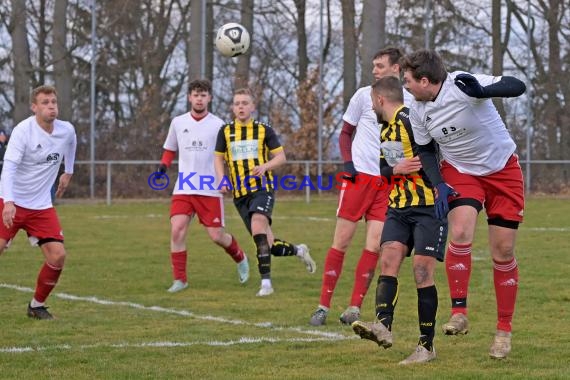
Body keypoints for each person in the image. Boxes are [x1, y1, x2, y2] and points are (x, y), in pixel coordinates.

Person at [400, 49, 526, 359]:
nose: (405, 87)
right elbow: (426, 150)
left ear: (425, 80)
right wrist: (439, 184)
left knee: (504, 251)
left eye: (408, 81)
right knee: (460, 233)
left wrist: (484, 91)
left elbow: (516, 85)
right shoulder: (416, 107)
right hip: (461, 171)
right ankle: (460, 312)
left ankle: (503, 331)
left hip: (502, 169)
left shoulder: (461, 84)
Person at [309, 46, 412, 326]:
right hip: (359, 179)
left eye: (380, 66)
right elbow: (345, 133)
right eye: (373, 66)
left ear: (396, 68)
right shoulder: (362, 96)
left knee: (374, 245)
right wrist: (348, 164)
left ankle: (354, 306)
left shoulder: (411, 100)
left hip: (388, 182)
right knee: (341, 242)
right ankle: (323, 306)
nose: (375, 70)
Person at [351, 76, 447, 364]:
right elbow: (384, 168)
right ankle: (383, 325)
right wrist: (396, 169)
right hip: (398, 206)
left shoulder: (410, 120)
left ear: (380, 99)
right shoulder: (385, 129)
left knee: (421, 272)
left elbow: (433, 155)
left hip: (428, 206)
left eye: (372, 102)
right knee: (389, 258)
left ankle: (426, 347)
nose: (372, 107)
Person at [214, 88, 316, 297]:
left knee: (258, 224)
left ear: (252, 107)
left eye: (245, 103)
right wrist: (221, 178)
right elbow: (218, 158)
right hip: (239, 194)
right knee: (268, 245)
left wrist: (265, 167)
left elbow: (281, 157)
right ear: (233, 108)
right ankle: (299, 250)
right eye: (237, 103)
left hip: (262, 188)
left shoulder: (264, 130)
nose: (241, 106)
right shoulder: (225, 131)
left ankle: (266, 284)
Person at [158, 79, 250, 293]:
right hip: (184, 187)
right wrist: (164, 165)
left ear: (209, 98)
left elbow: (227, 156)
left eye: (203, 95)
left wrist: (228, 178)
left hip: (209, 187)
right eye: (195, 95)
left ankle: (240, 257)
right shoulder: (178, 122)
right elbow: (170, 148)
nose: (199, 98)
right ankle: (180, 280)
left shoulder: (219, 125)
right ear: (189, 97)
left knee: (217, 236)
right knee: (177, 230)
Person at [0, 85, 77, 320]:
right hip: (12, 201)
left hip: (41, 206)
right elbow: (9, 168)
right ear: (34, 107)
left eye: (54, 101)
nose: (51, 106)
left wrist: (68, 171)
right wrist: (8, 202)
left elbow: (72, 144)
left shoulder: (66, 130)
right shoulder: (23, 131)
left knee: (58, 256)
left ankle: (37, 305)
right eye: (45, 102)